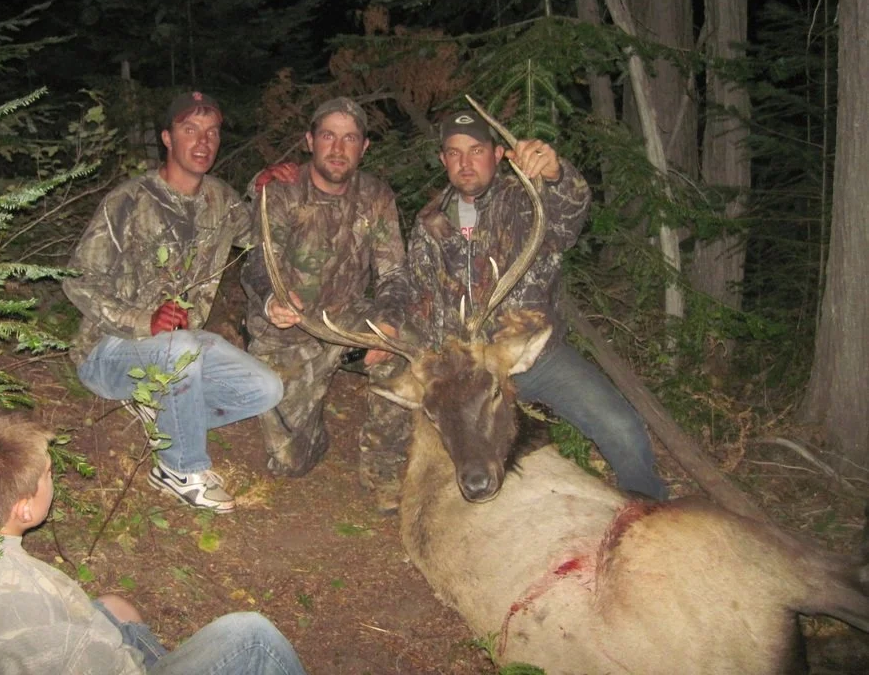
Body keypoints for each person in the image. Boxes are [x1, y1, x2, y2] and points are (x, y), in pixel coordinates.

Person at [0, 411, 308, 674]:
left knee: (114, 608)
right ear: (24, 508)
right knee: (250, 636)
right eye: (49, 475)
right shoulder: (41, 608)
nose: (56, 480)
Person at [405, 108, 667, 500]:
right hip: (467, 376)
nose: (465, 162)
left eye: (476, 150)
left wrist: (555, 172)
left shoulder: (528, 199)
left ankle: (651, 510)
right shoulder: (428, 224)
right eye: (454, 153)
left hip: (534, 357)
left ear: (497, 155)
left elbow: (571, 212)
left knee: (620, 428)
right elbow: (418, 295)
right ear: (443, 159)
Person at [63, 91, 285, 513]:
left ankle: (161, 407)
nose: (202, 142)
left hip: (178, 350)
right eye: (189, 130)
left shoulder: (220, 201)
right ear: (167, 138)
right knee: (181, 349)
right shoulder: (128, 201)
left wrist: (273, 185)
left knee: (266, 388)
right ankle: (178, 467)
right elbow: (76, 281)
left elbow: (262, 235)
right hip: (107, 351)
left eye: (212, 132)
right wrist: (142, 320)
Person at [240, 97, 413, 513]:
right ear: (309, 141)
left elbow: (394, 275)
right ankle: (311, 424)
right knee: (290, 462)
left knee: (406, 346)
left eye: (350, 138)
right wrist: (271, 300)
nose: (338, 149)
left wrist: (387, 325)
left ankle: (383, 470)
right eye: (328, 136)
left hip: (346, 319)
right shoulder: (279, 191)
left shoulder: (376, 195)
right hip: (287, 328)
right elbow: (256, 266)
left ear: (364, 147)